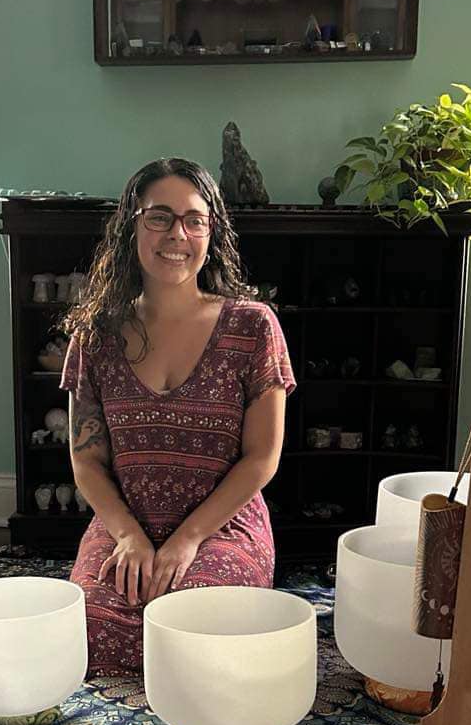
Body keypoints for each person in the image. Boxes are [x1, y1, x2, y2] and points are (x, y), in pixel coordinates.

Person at [61, 158, 295, 675]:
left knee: (196, 627)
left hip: (222, 526)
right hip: (127, 522)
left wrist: (188, 539)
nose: (178, 234)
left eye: (194, 220)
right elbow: (86, 462)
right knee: (86, 629)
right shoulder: (94, 336)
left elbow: (262, 458)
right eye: (159, 217)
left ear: (212, 231)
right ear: (131, 226)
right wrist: (128, 535)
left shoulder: (253, 327)